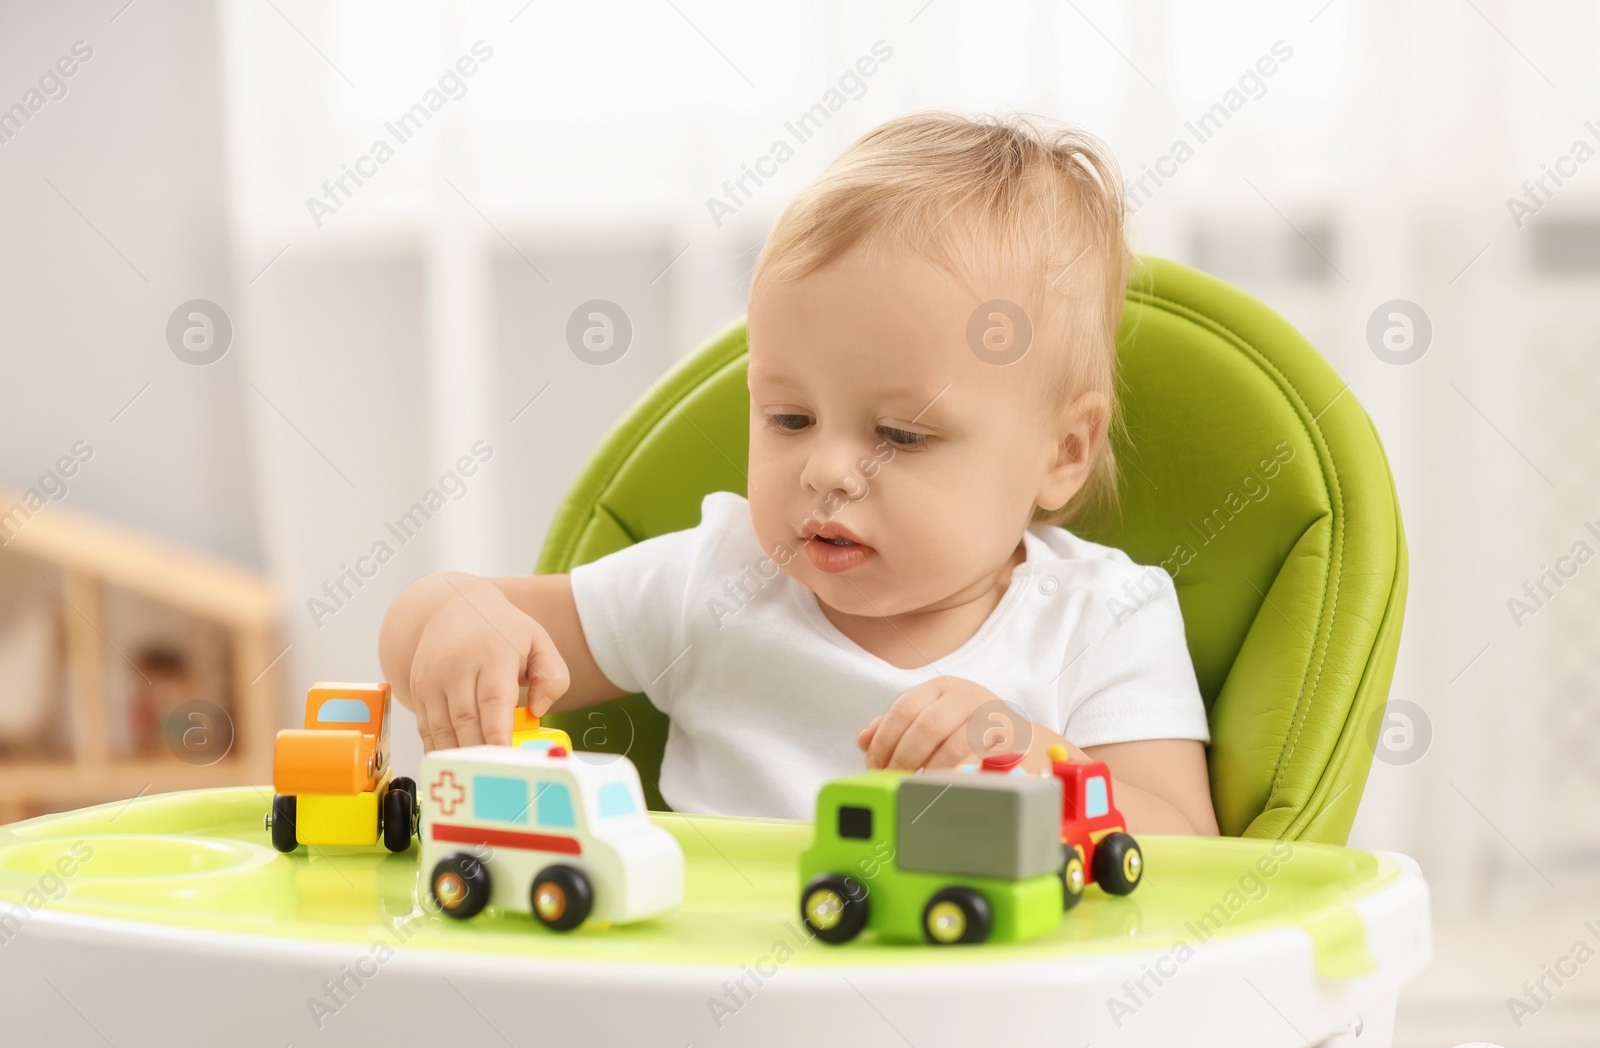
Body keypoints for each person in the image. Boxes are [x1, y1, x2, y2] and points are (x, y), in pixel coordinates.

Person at [380, 111, 1219, 834]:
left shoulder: (1102, 619)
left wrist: (1034, 759)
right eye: (788, 418)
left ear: (1063, 452)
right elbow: (449, 614)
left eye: (900, 433)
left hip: (982, 1008)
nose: (826, 469)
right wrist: (452, 622)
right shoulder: (717, 578)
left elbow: (1188, 848)